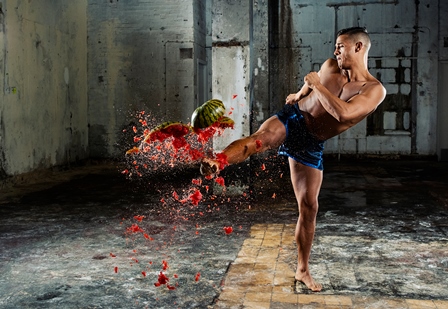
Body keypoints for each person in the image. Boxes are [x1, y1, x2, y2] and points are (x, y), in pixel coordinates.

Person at [201, 27, 386, 292]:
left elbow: (343, 114)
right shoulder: (330, 66)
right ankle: (217, 162)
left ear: (358, 47)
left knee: (309, 206)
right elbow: (312, 83)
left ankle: (302, 270)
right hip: (293, 118)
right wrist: (300, 94)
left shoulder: (374, 90)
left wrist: (316, 86)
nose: (335, 51)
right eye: (335, 45)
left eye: (341, 46)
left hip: (311, 144)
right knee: (261, 138)